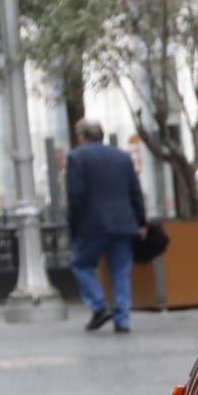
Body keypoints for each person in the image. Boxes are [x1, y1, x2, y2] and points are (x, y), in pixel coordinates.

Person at [64, 119, 148, 334]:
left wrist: (74, 226)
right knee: (120, 270)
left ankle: (99, 305)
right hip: (123, 223)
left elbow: (76, 196)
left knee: (81, 264)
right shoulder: (122, 157)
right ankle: (122, 318)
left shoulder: (76, 158)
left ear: (82, 137)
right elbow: (135, 192)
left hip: (91, 224)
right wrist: (141, 221)